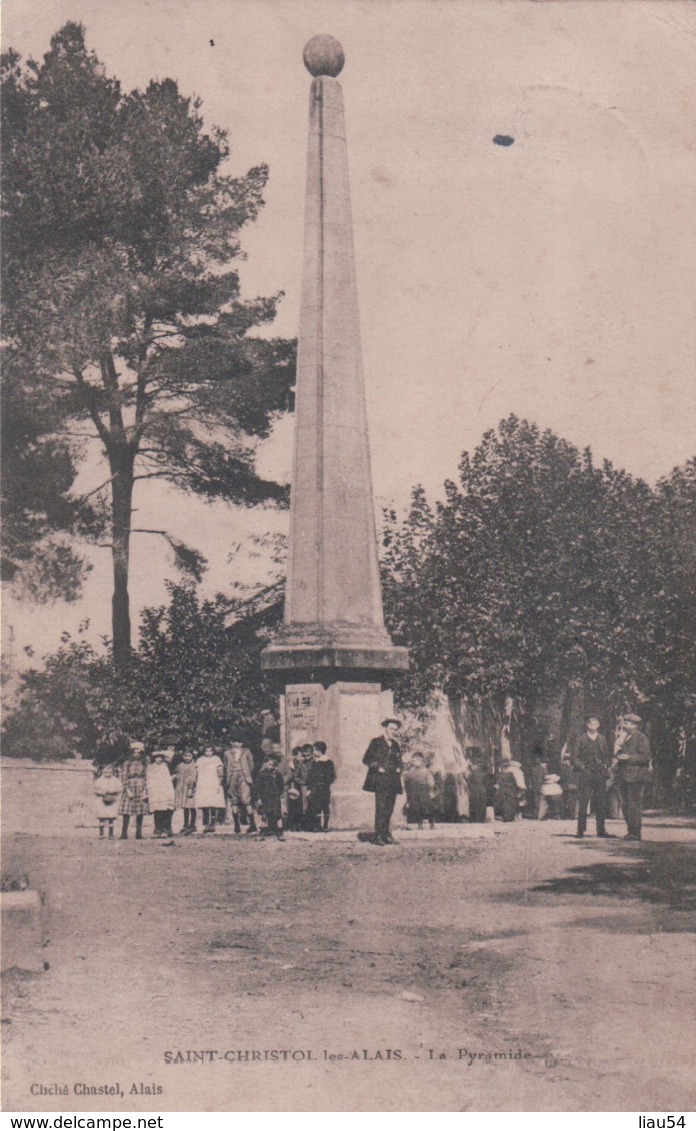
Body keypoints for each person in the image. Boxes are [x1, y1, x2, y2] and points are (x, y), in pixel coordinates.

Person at [362, 718, 403, 845]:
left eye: (395, 729)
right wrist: (377, 767)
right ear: (385, 728)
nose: (393, 731)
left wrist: (399, 768)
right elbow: (366, 759)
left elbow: (399, 760)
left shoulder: (396, 745)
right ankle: (378, 835)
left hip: (393, 780)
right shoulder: (376, 742)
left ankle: (386, 834)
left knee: (390, 807)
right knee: (381, 807)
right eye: (391, 728)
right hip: (380, 780)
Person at [572, 715, 612, 838]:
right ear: (587, 725)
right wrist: (583, 767)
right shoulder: (580, 739)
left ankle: (601, 830)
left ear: (598, 725)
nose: (593, 727)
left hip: (599, 773)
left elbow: (607, 756)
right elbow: (574, 757)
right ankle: (580, 830)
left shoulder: (602, 739)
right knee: (583, 802)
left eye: (595, 724)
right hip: (586, 773)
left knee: (601, 802)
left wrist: (605, 765)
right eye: (590, 724)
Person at [615, 714, 651, 841]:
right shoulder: (624, 737)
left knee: (633, 805)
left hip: (636, 777)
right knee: (625, 804)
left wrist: (628, 758)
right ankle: (631, 831)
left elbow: (645, 758)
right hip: (624, 775)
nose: (624, 726)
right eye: (625, 723)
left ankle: (635, 832)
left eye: (628, 724)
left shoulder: (641, 738)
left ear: (635, 726)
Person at [223, 737, 257, 835]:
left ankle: (252, 824)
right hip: (232, 776)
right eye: (237, 741)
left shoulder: (246, 752)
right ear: (232, 742)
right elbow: (226, 765)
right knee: (234, 800)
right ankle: (236, 824)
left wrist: (246, 774)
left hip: (244, 776)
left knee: (246, 799)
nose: (240, 743)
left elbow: (251, 765)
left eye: (241, 741)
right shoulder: (227, 753)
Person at [118, 741, 149, 839]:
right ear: (131, 753)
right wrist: (127, 789)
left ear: (141, 753)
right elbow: (123, 776)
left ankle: (138, 834)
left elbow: (147, 777)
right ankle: (124, 834)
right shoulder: (127, 763)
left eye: (138, 752)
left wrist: (145, 790)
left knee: (140, 811)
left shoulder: (144, 763)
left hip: (140, 787)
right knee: (127, 811)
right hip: (130, 787)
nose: (136, 754)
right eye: (134, 752)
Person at [255, 750, 285, 840]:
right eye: (268, 764)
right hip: (265, 798)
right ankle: (261, 833)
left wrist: (281, 795)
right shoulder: (262, 774)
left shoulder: (278, 774)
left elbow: (281, 786)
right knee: (264, 815)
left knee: (277, 814)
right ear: (265, 764)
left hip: (275, 797)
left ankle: (280, 833)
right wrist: (259, 798)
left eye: (272, 765)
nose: (270, 766)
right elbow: (258, 787)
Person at [195, 745, 225, 834]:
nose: (208, 753)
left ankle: (212, 824)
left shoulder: (216, 759)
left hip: (213, 782)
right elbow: (197, 772)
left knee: (213, 804)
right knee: (205, 803)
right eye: (206, 751)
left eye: (210, 751)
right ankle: (206, 824)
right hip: (203, 783)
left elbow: (220, 773)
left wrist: (219, 783)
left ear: (213, 751)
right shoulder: (200, 760)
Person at [306, 741, 336, 832]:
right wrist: (310, 788)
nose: (313, 752)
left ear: (319, 751)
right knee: (316, 807)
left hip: (324, 788)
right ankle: (317, 825)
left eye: (314, 750)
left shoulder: (329, 763)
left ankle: (325, 824)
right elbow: (310, 777)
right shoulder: (314, 763)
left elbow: (332, 776)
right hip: (315, 789)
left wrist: (325, 782)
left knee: (325, 806)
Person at [147, 746, 175, 838]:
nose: (159, 759)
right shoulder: (151, 767)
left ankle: (166, 829)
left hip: (166, 790)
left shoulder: (167, 765)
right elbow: (149, 779)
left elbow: (171, 756)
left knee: (167, 809)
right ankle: (157, 828)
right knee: (157, 810)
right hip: (156, 791)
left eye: (161, 757)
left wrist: (164, 752)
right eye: (157, 757)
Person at [403, 751, 436, 830]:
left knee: (427, 807)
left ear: (420, 761)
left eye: (414, 761)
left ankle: (431, 823)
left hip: (424, 791)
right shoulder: (410, 771)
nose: (413, 762)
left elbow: (431, 782)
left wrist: (431, 791)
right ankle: (419, 824)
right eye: (412, 761)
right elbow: (406, 781)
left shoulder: (426, 771)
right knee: (417, 808)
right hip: (414, 791)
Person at [173, 748, 198, 835]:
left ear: (192, 756)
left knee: (192, 807)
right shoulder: (180, 765)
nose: (187, 758)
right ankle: (185, 824)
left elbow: (193, 778)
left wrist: (191, 788)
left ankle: (192, 825)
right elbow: (176, 774)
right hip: (181, 788)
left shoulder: (193, 765)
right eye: (185, 756)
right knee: (185, 807)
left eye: (189, 756)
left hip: (189, 788)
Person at [93, 763, 121, 838]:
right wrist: (102, 792)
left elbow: (120, 788)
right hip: (101, 800)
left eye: (110, 772)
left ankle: (111, 834)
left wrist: (113, 791)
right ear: (102, 772)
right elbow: (95, 789)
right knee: (102, 817)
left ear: (113, 772)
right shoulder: (99, 780)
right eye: (105, 772)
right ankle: (101, 834)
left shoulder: (115, 780)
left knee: (111, 817)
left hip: (112, 800)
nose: (107, 774)